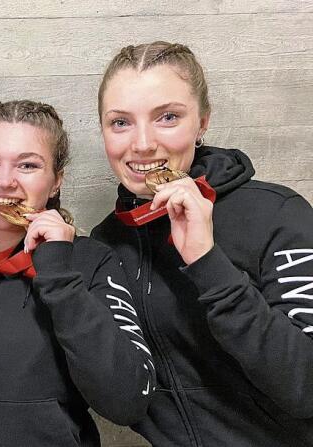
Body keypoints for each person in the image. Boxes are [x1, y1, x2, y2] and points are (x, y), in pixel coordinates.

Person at [92, 41, 313, 445]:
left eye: (168, 117)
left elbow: (307, 387)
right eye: (120, 122)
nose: (142, 143)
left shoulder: (279, 214)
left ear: (203, 122)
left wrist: (207, 262)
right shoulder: (107, 243)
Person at [0, 100, 154, 446]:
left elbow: (128, 401)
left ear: (55, 182)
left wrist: (60, 277)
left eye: (28, 165)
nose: (4, 181)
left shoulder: (91, 261)